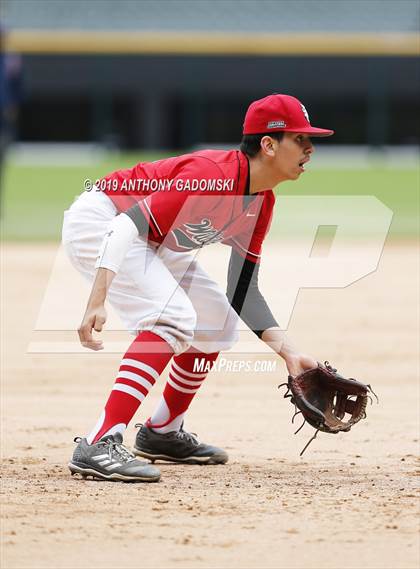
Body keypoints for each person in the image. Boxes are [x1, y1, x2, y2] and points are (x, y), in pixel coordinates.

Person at [63, 93, 334, 482]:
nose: (310, 149)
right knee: (172, 317)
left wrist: (290, 353)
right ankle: (100, 441)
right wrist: (97, 299)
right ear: (269, 144)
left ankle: (163, 432)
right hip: (104, 221)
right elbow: (126, 226)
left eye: (311, 140)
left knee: (216, 323)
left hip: (155, 240)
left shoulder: (262, 201)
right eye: (300, 139)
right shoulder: (211, 175)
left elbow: (243, 291)